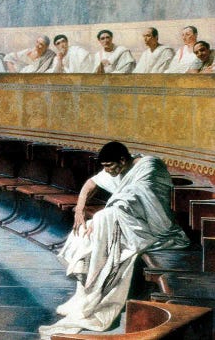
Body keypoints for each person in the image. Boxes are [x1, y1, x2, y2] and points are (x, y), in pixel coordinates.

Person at [39, 141, 189, 338]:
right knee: (87, 232)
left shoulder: (149, 166)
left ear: (123, 160)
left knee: (101, 220)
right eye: (104, 166)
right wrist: (80, 210)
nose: (107, 170)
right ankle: (90, 286)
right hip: (130, 217)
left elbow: (137, 196)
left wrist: (104, 217)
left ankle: (98, 285)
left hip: (153, 225)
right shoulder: (118, 169)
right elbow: (90, 184)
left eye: (109, 166)